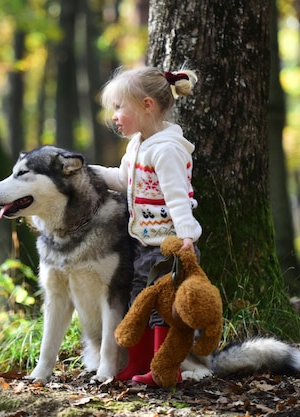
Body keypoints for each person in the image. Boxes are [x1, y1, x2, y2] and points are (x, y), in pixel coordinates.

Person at [92, 66, 203, 386]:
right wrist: (88, 172)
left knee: (164, 308)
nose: (114, 116)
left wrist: (186, 235)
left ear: (147, 105)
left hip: (169, 246)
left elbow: (177, 198)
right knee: (138, 302)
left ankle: (163, 369)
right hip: (144, 244)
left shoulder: (166, 149)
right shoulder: (138, 145)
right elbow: (123, 180)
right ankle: (136, 365)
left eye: (119, 107)